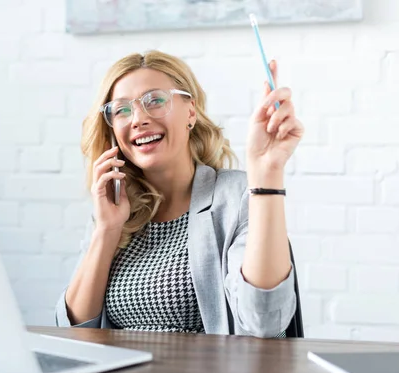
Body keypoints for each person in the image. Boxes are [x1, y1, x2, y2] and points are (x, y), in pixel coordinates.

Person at [55, 50, 304, 338]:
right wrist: (107, 230)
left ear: (190, 112)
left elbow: (265, 321)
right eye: (122, 109)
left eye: (155, 100)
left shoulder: (237, 196)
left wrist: (267, 175)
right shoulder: (114, 208)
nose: (138, 119)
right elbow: (73, 329)